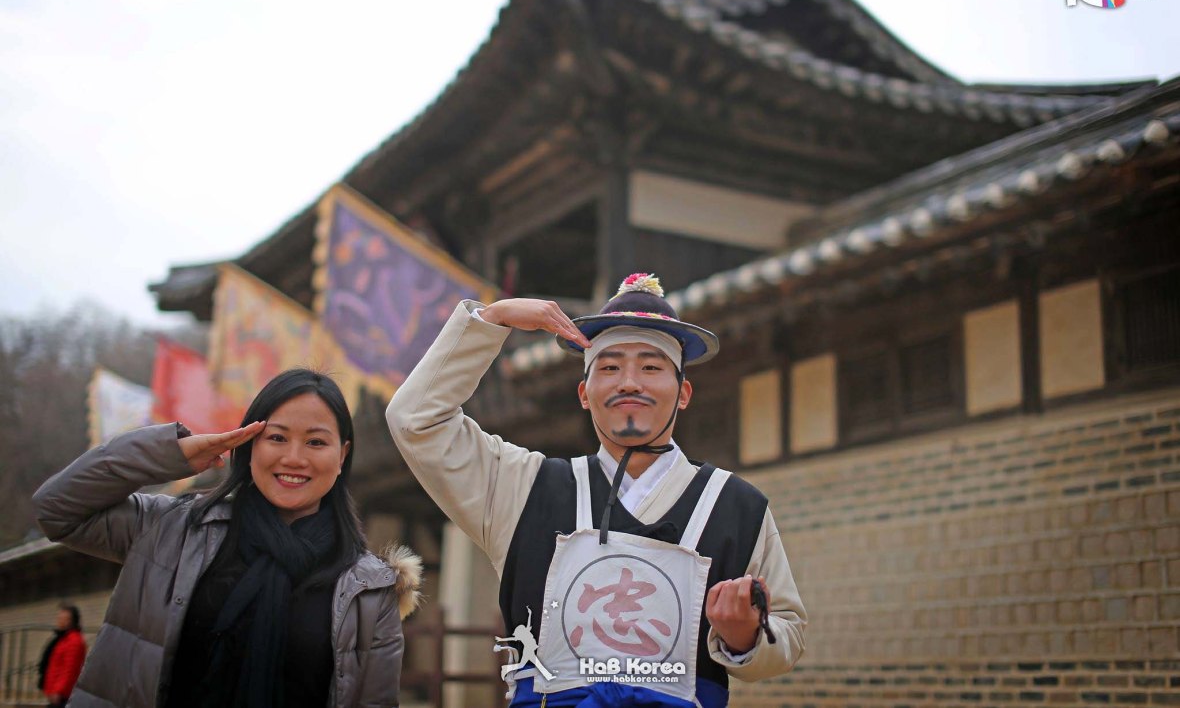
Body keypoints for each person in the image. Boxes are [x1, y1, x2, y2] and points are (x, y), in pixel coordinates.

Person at [387, 273, 806, 707]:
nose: (629, 382)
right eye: (609, 367)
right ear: (585, 394)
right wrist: (490, 320)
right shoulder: (524, 488)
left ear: (683, 393)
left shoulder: (737, 505)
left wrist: (745, 638)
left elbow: (789, 633)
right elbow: (416, 421)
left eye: (650, 367)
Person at [34, 368, 421, 708]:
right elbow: (57, 509)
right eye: (277, 438)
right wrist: (170, 453)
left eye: (316, 442)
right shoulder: (172, 529)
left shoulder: (370, 591)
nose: (294, 458)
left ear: (342, 455)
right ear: (248, 445)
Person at [38, 604, 86, 706]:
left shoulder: (74, 641)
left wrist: (59, 691)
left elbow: (70, 669)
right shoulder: (62, 639)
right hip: (55, 692)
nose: (59, 621)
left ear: (72, 621)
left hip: (62, 695)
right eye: (59, 618)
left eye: (64, 619)